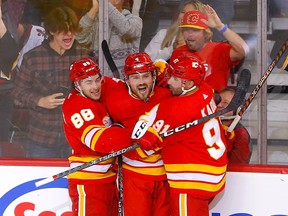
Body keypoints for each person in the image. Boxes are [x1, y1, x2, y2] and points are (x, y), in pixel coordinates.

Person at [134, 55, 228, 216]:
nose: (169, 82)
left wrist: (143, 136)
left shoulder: (174, 110)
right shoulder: (204, 89)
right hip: (216, 174)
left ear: (187, 84)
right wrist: (165, 74)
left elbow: (145, 148)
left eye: (175, 79)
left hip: (193, 182)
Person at [11, 6, 91, 158]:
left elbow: (96, 88)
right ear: (52, 31)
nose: (69, 35)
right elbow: (17, 92)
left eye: (72, 30)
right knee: (42, 181)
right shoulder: (33, 58)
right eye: (63, 30)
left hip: (75, 135)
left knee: (73, 181)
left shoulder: (83, 55)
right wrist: (40, 100)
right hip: (42, 137)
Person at [101, 52, 172, 216]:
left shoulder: (167, 96)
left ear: (154, 76)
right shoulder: (114, 98)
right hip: (133, 177)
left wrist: (167, 69)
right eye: (135, 77)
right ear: (126, 80)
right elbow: (91, 85)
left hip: (165, 177)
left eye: (146, 76)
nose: (141, 82)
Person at [63, 57, 136, 216]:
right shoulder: (75, 105)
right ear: (77, 85)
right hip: (88, 181)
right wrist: (133, 131)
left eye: (97, 80)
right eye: (88, 82)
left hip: (109, 180)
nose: (96, 87)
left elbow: (133, 88)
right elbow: (103, 142)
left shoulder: (104, 86)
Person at [171, 8, 249, 92]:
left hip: (214, 103)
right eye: (186, 30)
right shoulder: (178, 52)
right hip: (186, 103)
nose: (190, 34)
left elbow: (243, 50)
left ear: (206, 33)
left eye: (195, 30)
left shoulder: (219, 49)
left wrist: (220, 26)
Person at [76, 0, 142, 79]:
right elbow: (80, 37)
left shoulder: (135, 20)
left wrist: (104, 4)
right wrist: (94, 9)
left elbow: (126, 29)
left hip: (124, 84)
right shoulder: (97, 21)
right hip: (99, 84)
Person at [217, 87, 252, 164]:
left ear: (238, 109)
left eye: (225, 103)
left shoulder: (240, 133)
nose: (219, 105)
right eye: (217, 101)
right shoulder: (207, 126)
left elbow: (237, 165)